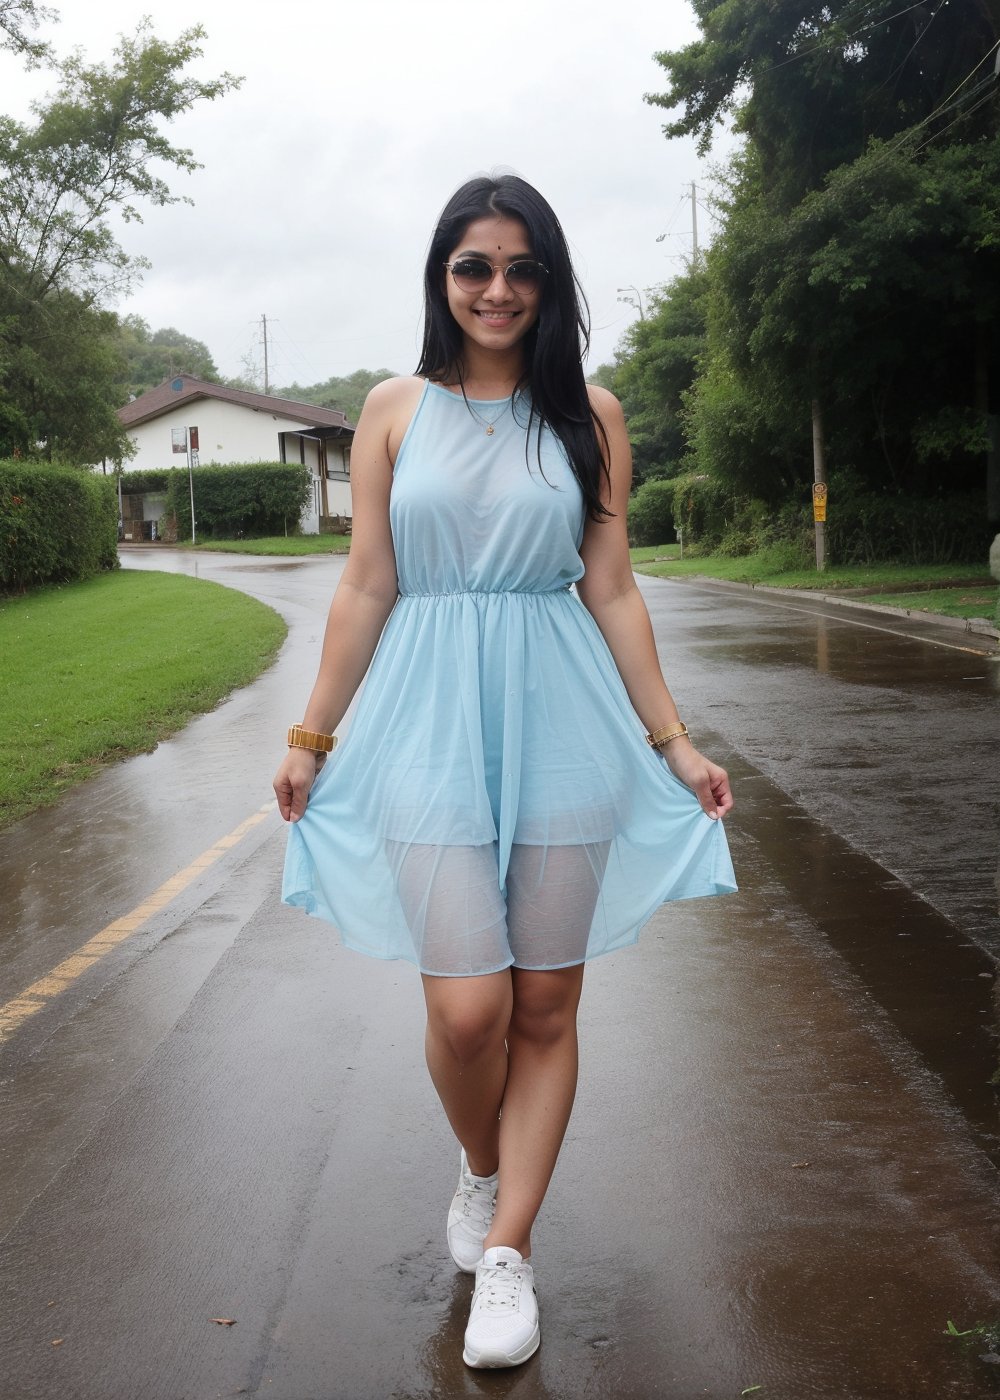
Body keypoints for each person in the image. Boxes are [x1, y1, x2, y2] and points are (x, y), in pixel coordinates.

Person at [273, 173, 736, 1370]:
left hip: (564, 720)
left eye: (521, 267)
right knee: (466, 1006)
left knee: (543, 1004)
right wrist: (310, 734)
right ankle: (480, 1166)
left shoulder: (590, 412)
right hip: (425, 720)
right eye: (474, 265)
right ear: (442, 278)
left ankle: (511, 1248)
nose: (498, 288)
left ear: (550, 282)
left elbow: (614, 588)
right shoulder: (389, 410)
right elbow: (368, 581)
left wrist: (673, 741)